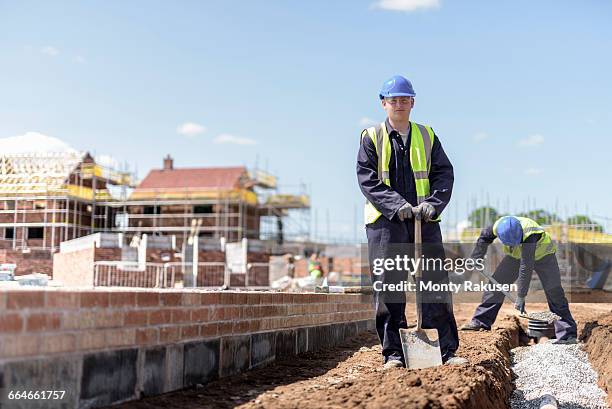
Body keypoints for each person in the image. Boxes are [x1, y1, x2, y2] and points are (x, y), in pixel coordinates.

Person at [356, 75, 466, 368]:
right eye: (394, 99)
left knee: (434, 284)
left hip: (425, 222)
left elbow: (444, 174)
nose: (400, 104)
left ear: (412, 102)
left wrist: (432, 204)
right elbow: (368, 179)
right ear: (384, 103)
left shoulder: (427, 135)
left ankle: (445, 351)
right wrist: (398, 206)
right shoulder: (372, 137)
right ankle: (393, 353)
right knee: (389, 286)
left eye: (405, 99)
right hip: (386, 224)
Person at [460, 216, 578, 343]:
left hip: (544, 256)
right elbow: (484, 237)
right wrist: (476, 257)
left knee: (554, 292)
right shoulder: (497, 227)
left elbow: (526, 267)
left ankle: (567, 335)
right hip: (514, 257)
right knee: (495, 286)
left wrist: (521, 296)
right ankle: (480, 321)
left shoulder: (530, 233)